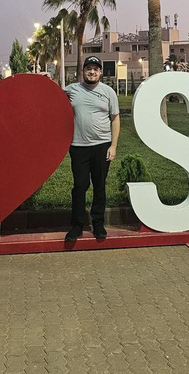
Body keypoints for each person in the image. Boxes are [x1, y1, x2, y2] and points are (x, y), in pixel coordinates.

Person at [64, 55, 120, 241]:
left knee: (99, 186)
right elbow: (51, 95)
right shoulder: (72, 90)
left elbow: (115, 119)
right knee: (80, 186)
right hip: (78, 146)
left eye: (96, 69)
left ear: (100, 72)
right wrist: (42, 79)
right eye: (89, 68)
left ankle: (98, 224)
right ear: (83, 71)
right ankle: (77, 225)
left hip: (102, 146)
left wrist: (113, 145)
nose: (92, 72)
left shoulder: (108, 92)